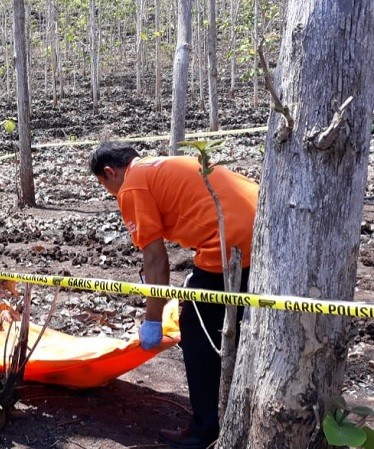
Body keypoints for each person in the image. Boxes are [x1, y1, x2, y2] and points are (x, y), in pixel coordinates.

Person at [89, 141, 258, 449]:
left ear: (110, 172)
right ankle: (241, 411)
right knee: (245, 326)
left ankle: (205, 429)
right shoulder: (159, 166)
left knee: (196, 328)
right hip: (263, 225)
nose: (111, 194)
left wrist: (152, 319)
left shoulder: (131, 186)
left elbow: (155, 259)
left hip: (231, 241)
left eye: (105, 187)